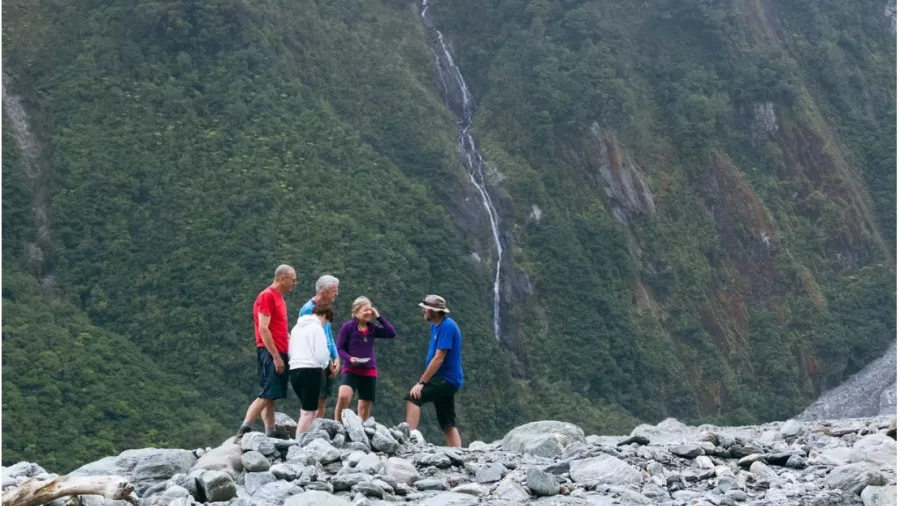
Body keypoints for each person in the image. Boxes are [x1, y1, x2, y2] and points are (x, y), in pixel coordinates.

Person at [234, 264, 296, 441]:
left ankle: (270, 431)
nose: (294, 283)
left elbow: (281, 328)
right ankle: (244, 429)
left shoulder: (279, 298)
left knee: (272, 395)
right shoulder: (267, 296)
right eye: (293, 280)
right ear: (282, 278)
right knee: (267, 392)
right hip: (270, 351)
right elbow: (263, 328)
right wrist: (276, 356)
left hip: (280, 350)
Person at [405, 294, 463, 447]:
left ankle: (409, 440)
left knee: (413, 398)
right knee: (447, 422)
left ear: (434, 311)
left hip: (447, 379)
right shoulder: (437, 326)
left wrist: (422, 382)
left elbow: (438, 358)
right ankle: (458, 454)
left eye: (426, 309)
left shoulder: (447, 326)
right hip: (445, 379)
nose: (423, 311)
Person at [334, 297, 397, 422]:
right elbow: (340, 348)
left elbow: (391, 333)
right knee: (343, 396)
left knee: (365, 404)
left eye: (370, 309)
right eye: (365, 310)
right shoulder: (348, 327)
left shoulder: (372, 328)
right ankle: (337, 424)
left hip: (369, 370)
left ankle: (360, 430)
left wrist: (379, 317)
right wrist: (349, 358)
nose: (368, 312)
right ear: (356, 312)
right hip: (351, 369)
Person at [288, 302, 335, 437]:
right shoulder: (316, 328)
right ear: (324, 316)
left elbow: (290, 351)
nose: (325, 324)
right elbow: (322, 353)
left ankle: (305, 440)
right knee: (310, 412)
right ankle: (299, 443)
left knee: (305, 409)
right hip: (310, 372)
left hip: (295, 371)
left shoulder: (296, 328)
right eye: (327, 321)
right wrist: (326, 364)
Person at [298, 275, 340, 418]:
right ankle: (308, 431)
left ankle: (317, 429)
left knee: (323, 397)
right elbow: (310, 341)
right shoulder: (308, 310)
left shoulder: (325, 309)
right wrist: (327, 361)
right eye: (334, 290)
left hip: (327, 361)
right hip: (314, 363)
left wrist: (336, 357)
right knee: (313, 398)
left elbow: (328, 335)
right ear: (324, 291)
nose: (336, 294)